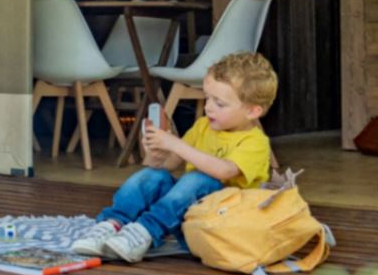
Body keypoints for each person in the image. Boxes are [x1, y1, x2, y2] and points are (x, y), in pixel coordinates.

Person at [71, 52, 277, 263]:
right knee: (152, 176)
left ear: (253, 111)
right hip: (189, 220)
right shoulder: (203, 127)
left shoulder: (256, 142)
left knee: (198, 178)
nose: (208, 107)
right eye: (207, 98)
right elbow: (168, 165)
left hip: (221, 226)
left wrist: (174, 143)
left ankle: (145, 231)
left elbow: (224, 171)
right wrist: (156, 155)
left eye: (220, 103)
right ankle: (111, 224)